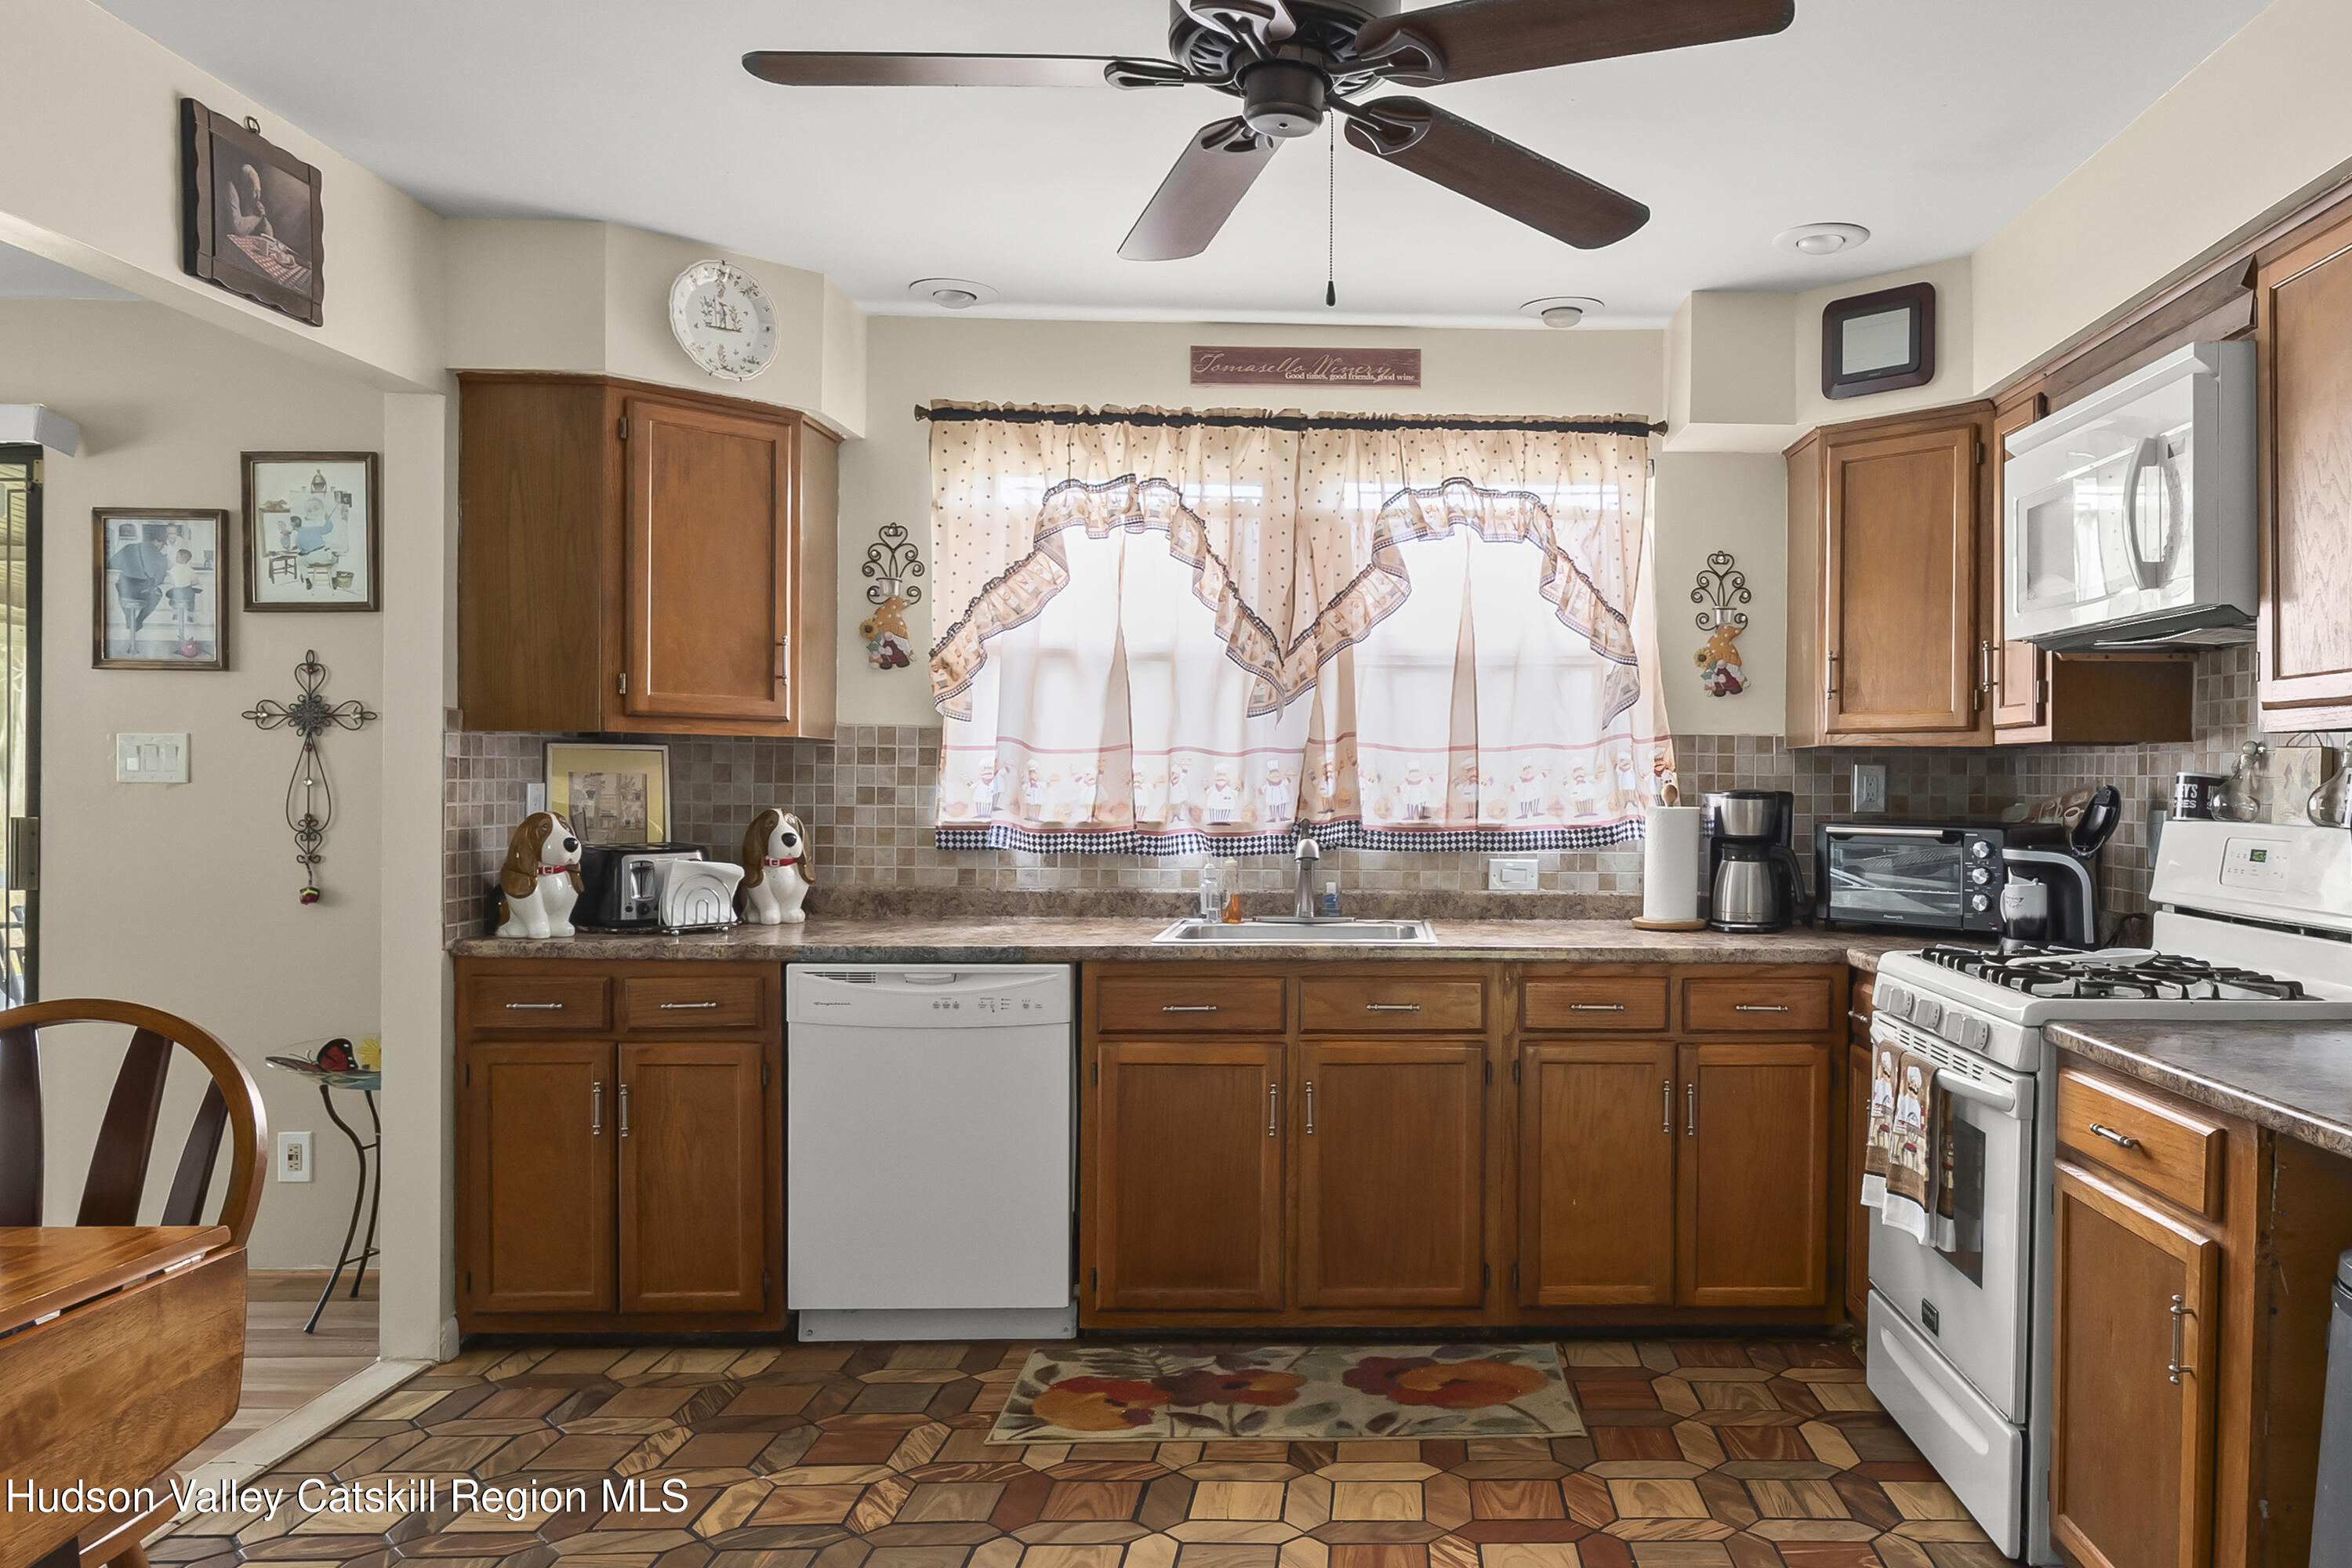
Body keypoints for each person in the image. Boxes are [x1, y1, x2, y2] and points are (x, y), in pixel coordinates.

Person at [107, 528, 168, 645]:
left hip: (125, 588)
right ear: (157, 541)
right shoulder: (161, 557)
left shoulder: (129, 547)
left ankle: (128, 616)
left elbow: (112, 563)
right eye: (163, 544)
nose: (162, 547)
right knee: (157, 594)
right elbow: (159, 581)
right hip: (142, 591)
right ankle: (139, 621)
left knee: (123, 592)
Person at [164, 548, 200, 641]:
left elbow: (172, 582)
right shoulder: (191, 570)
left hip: (177, 593)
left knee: (170, 594)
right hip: (187, 593)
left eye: (177, 556)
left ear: (182, 559)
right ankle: (191, 615)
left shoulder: (173, 570)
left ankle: (175, 612)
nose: (176, 557)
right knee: (192, 595)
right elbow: (195, 582)